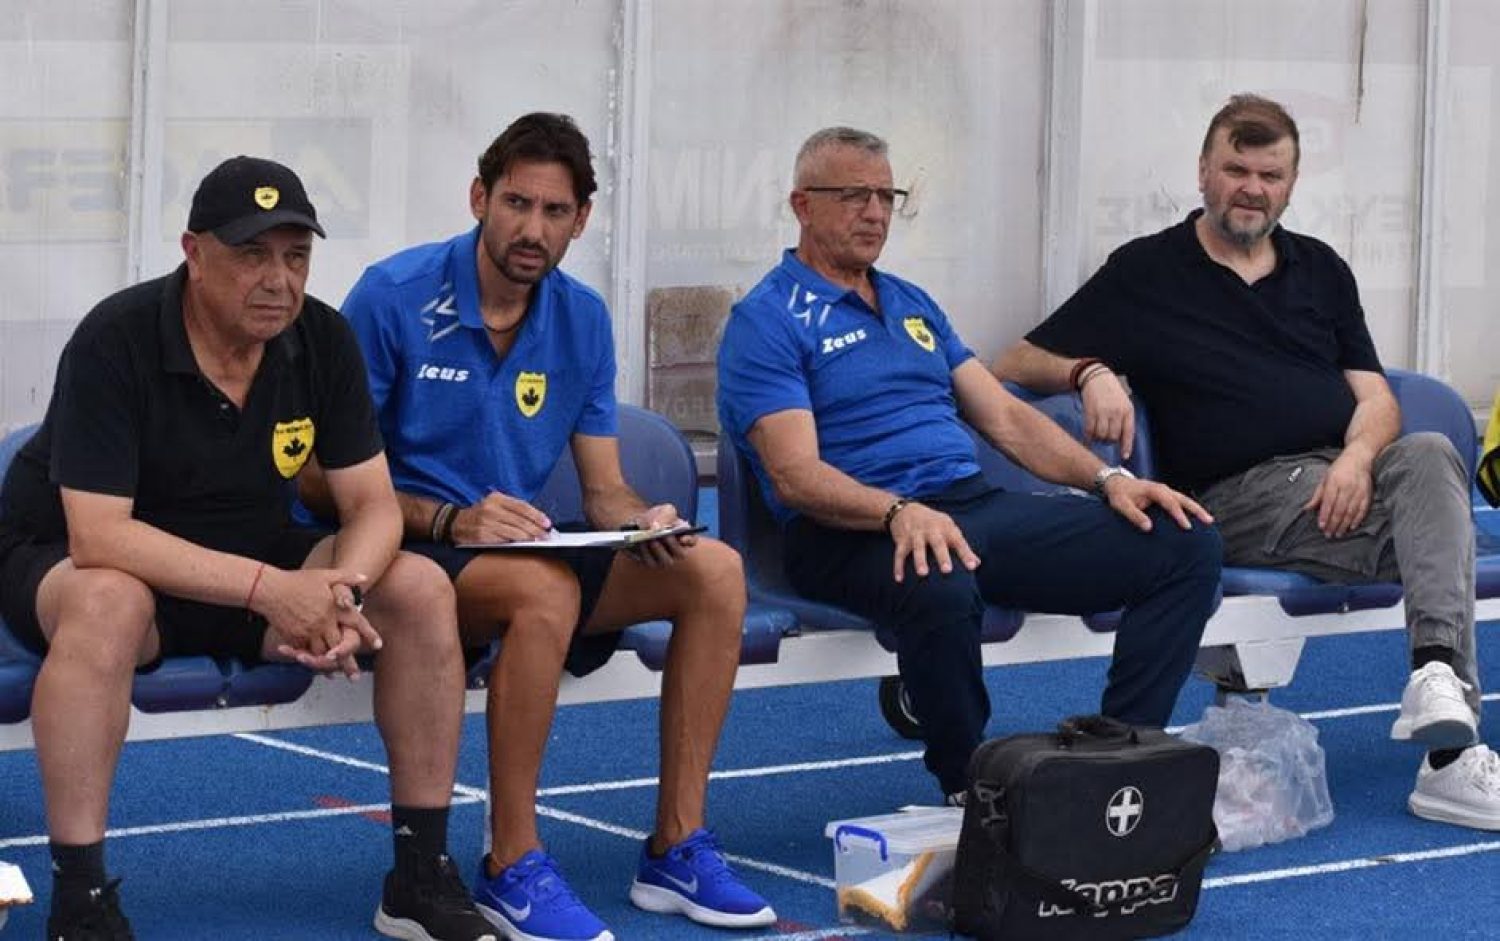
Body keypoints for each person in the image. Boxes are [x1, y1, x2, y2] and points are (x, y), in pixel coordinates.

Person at [0, 157, 496, 940]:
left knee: (421, 588)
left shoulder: (321, 337)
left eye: (296, 257)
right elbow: (99, 533)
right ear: (193, 254)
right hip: (79, 559)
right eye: (252, 255)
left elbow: (372, 505)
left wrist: (342, 591)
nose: (278, 280)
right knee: (108, 601)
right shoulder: (116, 337)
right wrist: (273, 590)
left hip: (248, 557)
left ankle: (418, 874)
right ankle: (81, 901)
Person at [994, 93, 1500, 830]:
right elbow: (1014, 361)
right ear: (1204, 171)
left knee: (1427, 452)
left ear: (1291, 185)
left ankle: (1436, 678)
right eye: (1237, 170)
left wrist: (1358, 459)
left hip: (1337, 481)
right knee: (1442, 540)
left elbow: (1376, 398)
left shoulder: (1321, 269)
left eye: (1270, 175)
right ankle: (1451, 758)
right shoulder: (1147, 271)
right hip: (1232, 498)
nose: (1252, 188)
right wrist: (1089, 370)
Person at [325, 113, 774, 941]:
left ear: (581, 219)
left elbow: (602, 489)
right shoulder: (392, 296)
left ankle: (676, 846)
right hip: (404, 550)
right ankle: (510, 861)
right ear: (479, 198)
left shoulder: (582, 318)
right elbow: (321, 477)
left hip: (519, 546)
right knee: (544, 588)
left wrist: (642, 519)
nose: (533, 229)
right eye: (517, 203)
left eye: (555, 211)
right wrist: (452, 518)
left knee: (713, 570)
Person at [715, 126, 1223, 802]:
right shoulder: (767, 319)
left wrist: (1110, 481)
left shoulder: (912, 304)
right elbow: (794, 474)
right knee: (940, 576)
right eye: (854, 195)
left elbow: (1007, 417)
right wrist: (898, 512)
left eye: (886, 196)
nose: (874, 212)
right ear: (802, 205)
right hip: (846, 531)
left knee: (1182, 542)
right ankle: (971, 787)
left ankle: (1120, 757)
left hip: (966, 507)